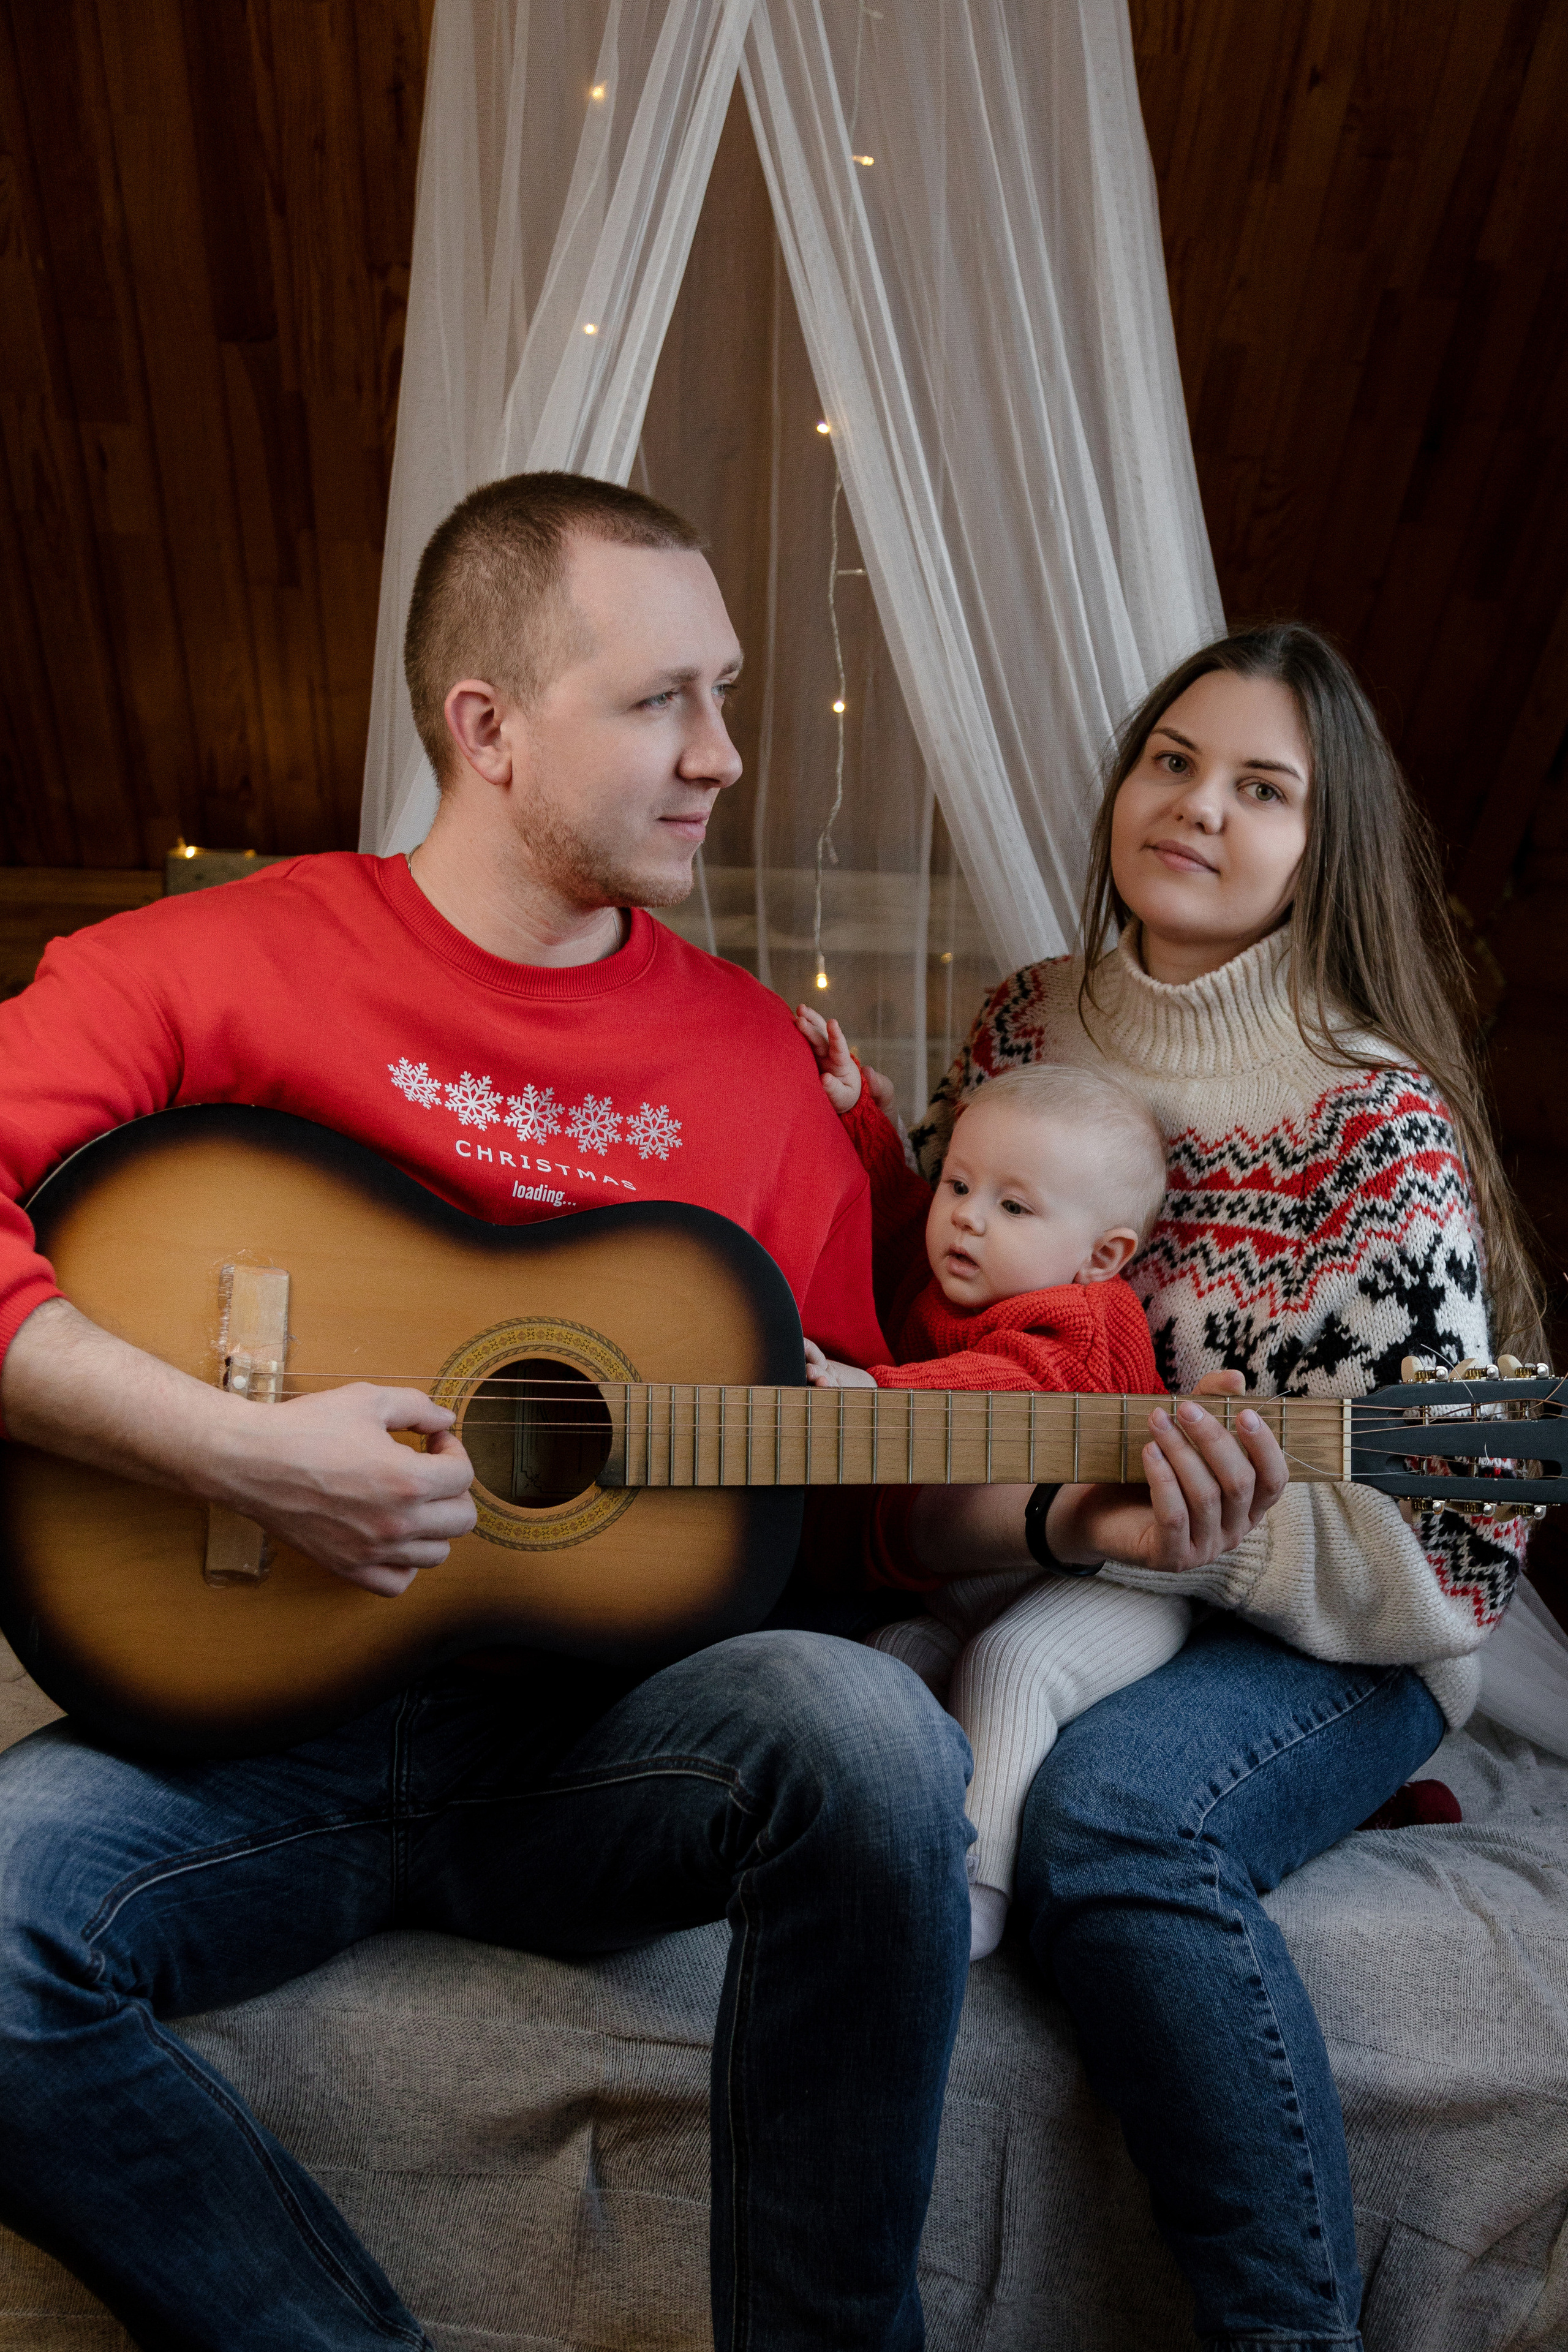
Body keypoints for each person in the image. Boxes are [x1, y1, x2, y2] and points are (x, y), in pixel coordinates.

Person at [0, 473, 1286, 2352]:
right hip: (242, 1733)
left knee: (869, 1730)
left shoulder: (760, 1071)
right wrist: (233, 1450)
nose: (723, 754)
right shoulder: (206, 963)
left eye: (729, 694)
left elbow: (841, 1489)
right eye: (662, 700)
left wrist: (1068, 1515)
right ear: (490, 727)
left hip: (595, 1749)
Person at [903, 621, 1541, 2352]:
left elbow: (1459, 1547)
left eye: (1263, 790)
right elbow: (944, 1302)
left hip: (1339, 1628)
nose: (1197, 807)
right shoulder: (1027, 1018)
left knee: (1112, 1817)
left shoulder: (1372, 1119)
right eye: (1173, 761)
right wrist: (843, 1123)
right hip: (1076, 1566)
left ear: (1321, 849)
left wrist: (1210, 1542)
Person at [792, 1025, 1192, 1961]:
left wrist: (880, 1394)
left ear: (1101, 1255)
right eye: (961, 1185)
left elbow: (1019, 1391)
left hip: (1114, 1583)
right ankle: (890, 1849)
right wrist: (861, 1119)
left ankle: (977, 1890)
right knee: (889, 1656)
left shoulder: (1088, 1319)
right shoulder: (952, 1273)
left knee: (1008, 1667)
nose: (967, 1219)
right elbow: (898, 1212)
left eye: (1013, 1206)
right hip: (979, 1577)